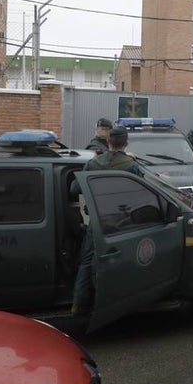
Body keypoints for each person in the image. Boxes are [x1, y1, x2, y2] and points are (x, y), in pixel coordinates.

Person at [70, 127, 143, 316]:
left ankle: (79, 305)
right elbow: (143, 192)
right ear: (126, 143)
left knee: (87, 263)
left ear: (108, 142)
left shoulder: (94, 163)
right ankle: (116, 305)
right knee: (122, 263)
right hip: (123, 223)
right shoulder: (131, 165)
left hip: (97, 221)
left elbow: (74, 188)